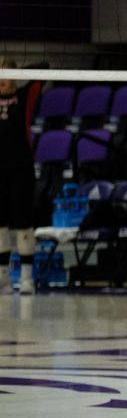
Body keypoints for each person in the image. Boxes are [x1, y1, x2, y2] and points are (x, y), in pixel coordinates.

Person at [0, 57, 38, 296]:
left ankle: (26, 279)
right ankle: (2, 278)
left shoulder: (24, 97)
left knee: (23, 223)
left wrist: (11, 70)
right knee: (0, 226)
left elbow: (43, 70)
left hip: (21, 169)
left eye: (4, 74)